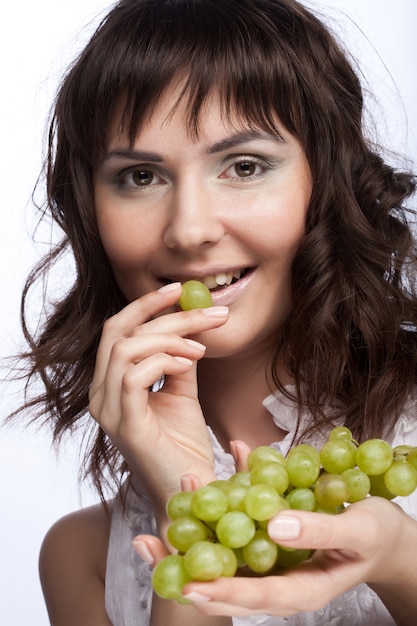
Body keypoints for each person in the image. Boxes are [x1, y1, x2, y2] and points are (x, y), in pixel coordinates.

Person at [14, 0, 417, 624]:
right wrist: (186, 501)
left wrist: (399, 557)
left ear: (327, 181)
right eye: (141, 177)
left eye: (245, 166)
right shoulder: (80, 558)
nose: (190, 230)